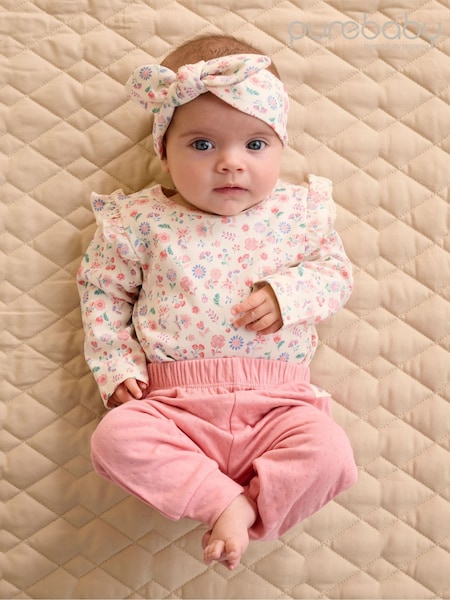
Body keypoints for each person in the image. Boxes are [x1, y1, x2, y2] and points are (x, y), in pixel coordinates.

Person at [77, 34, 358, 571]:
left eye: (255, 145)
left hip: (279, 406)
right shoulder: (139, 221)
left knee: (329, 450)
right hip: (173, 405)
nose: (231, 164)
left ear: (281, 146)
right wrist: (115, 365)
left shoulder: (298, 213)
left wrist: (287, 294)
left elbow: (335, 273)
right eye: (202, 145)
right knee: (115, 438)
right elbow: (102, 290)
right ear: (164, 153)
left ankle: (245, 509)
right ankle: (222, 501)